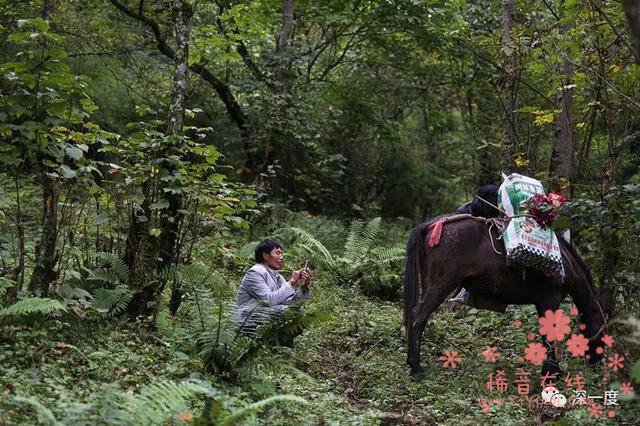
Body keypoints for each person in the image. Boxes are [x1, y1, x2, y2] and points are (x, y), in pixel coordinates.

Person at [235, 239, 311, 347]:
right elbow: (268, 300)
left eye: (282, 253)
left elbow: (291, 303)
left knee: (299, 313)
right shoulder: (255, 272)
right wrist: (292, 281)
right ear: (266, 256)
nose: (282, 257)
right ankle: (267, 346)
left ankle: (275, 347)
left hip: (266, 316)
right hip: (247, 319)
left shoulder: (278, 276)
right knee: (288, 312)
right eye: (278, 253)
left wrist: (303, 286)